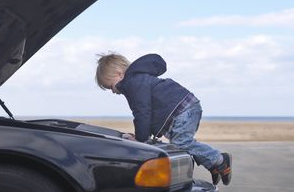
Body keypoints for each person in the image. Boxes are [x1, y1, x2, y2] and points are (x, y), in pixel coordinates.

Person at [95, 53, 232, 186]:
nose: (113, 91)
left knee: (182, 143)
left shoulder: (134, 83)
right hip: (184, 107)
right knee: (180, 144)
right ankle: (213, 166)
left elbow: (142, 112)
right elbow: (148, 111)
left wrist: (141, 139)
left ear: (119, 74)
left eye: (110, 86)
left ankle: (219, 160)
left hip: (183, 109)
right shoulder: (138, 80)